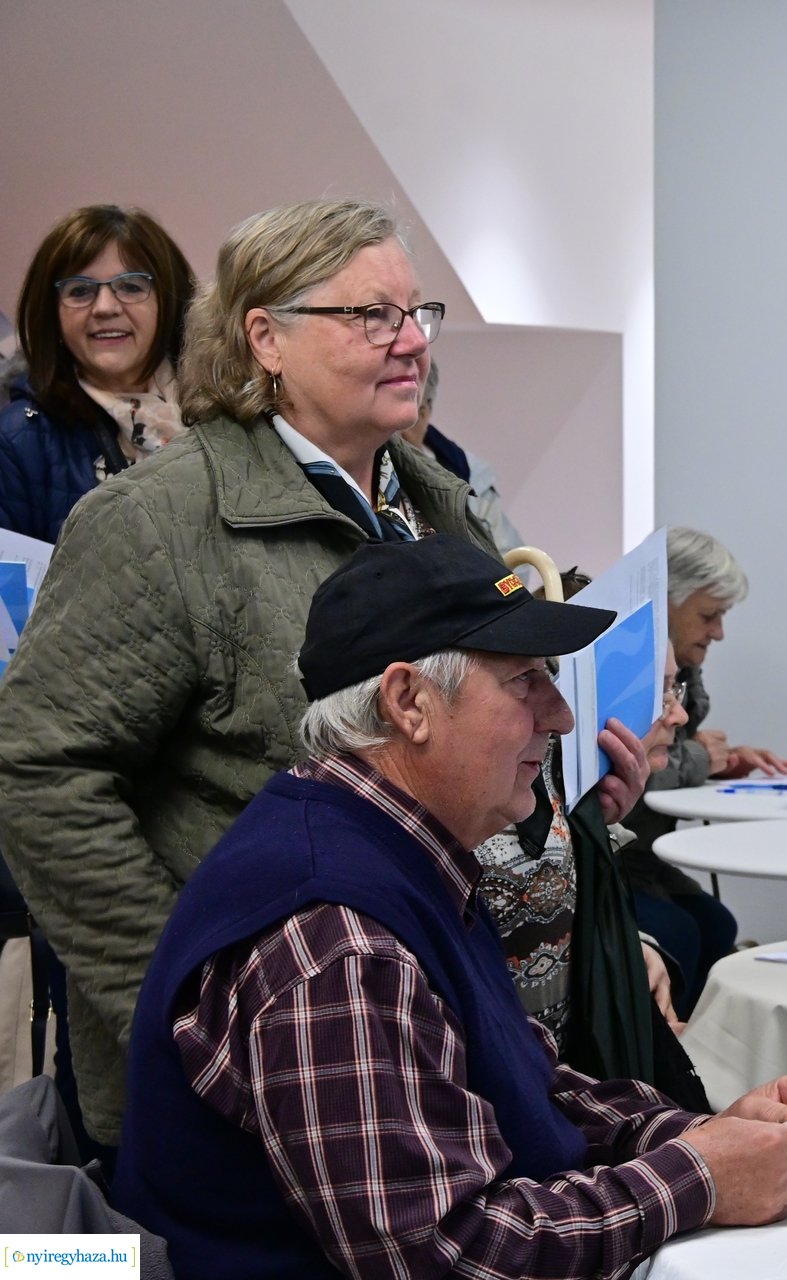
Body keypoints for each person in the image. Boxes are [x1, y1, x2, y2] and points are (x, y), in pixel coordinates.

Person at [0, 198, 645, 1154]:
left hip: (447, 1044)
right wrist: (189, 1006)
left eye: (416, 314)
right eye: (370, 316)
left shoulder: (440, 507)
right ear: (265, 337)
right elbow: (39, 774)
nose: (411, 341)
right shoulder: (156, 525)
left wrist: (561, 792)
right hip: (265, 1087)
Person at [114, 535, 787, 1280]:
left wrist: (705, 1138)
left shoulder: (385, 848)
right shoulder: (340, 939)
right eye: (525, 681)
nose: (561, 717)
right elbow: (439, 1253)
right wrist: (699, 1177)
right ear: (410, 702)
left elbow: (518, 1087)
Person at [622, 527, 787, 1017]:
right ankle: (670, 1052)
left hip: (640, 859)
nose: (718, 632)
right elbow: (625, 766)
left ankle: (699, 1050)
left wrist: (720, 761)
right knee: (681, 932)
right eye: (708, 615)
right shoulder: (628, 664)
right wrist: (698, 759)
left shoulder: (676, 664)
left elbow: (672, 751)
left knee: (716, 923)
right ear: (665, 601)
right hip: (613, 862)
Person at [0, 205, 196, 541]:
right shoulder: (19, 439)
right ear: (52, 315)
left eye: (131, 286)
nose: (105, 307)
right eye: (80, 290)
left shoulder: (226, 411)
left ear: (169, 301)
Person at [395, 359, 526, 555]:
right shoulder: (361, 470)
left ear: (424, 413)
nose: (392, 432)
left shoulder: (468, 473)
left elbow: (513, 559)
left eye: (403, 415)